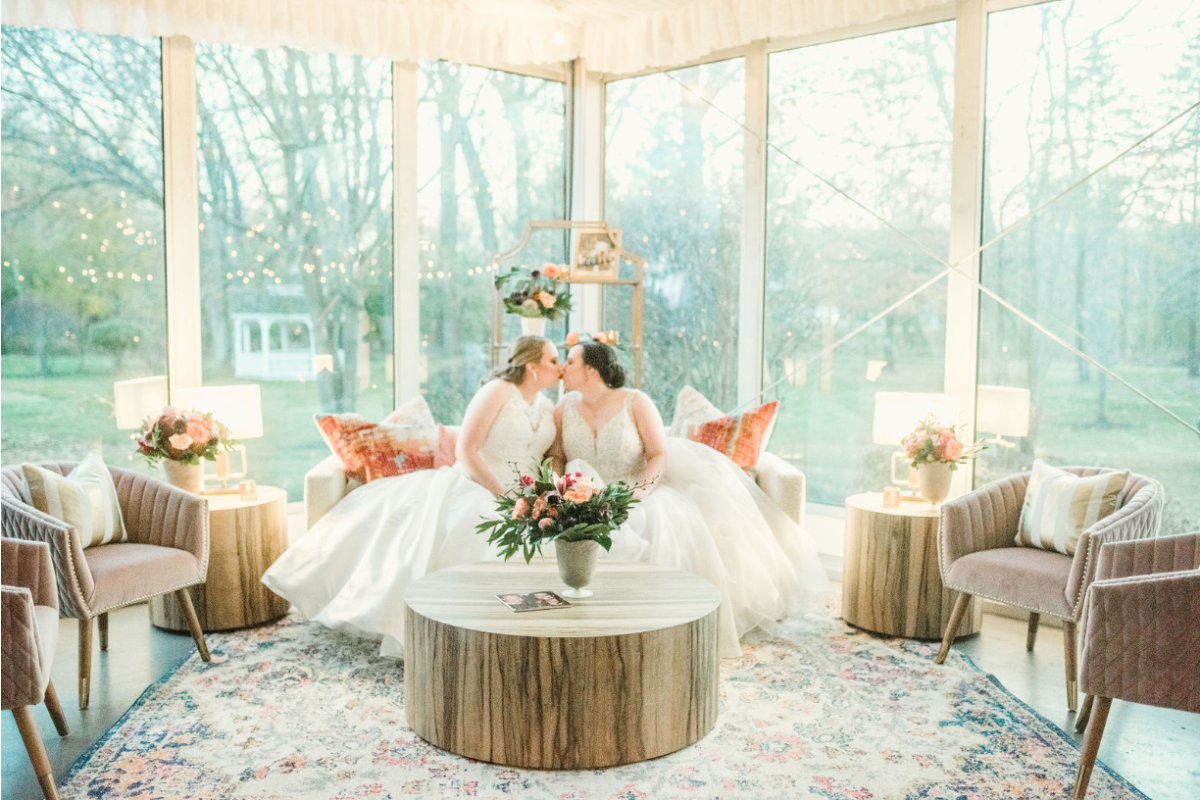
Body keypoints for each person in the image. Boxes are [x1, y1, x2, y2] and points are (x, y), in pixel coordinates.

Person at [262, 335, 561, 657]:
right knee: (474, 530)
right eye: (554, 360)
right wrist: (503, 497)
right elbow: (466, 450)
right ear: (532, 366)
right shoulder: (498, 391)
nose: (559, 368)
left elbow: (552, 456)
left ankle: (526, 630)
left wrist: (547, 491)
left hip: (529, 493)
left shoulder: (548, 407)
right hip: (480, 483)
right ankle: (463, 634)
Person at [550, 340, 828, 657]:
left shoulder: (635, 402)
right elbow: (557, 456)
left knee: (655, 525)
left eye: (569, 361)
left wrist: (638, 493)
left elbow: (657, 455)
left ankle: (647, 628)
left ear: (590, 369)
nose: (562, 368)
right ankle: (585, 622)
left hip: (637, 488)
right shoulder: (563, 408)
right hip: (583, 494)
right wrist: (561, 486)